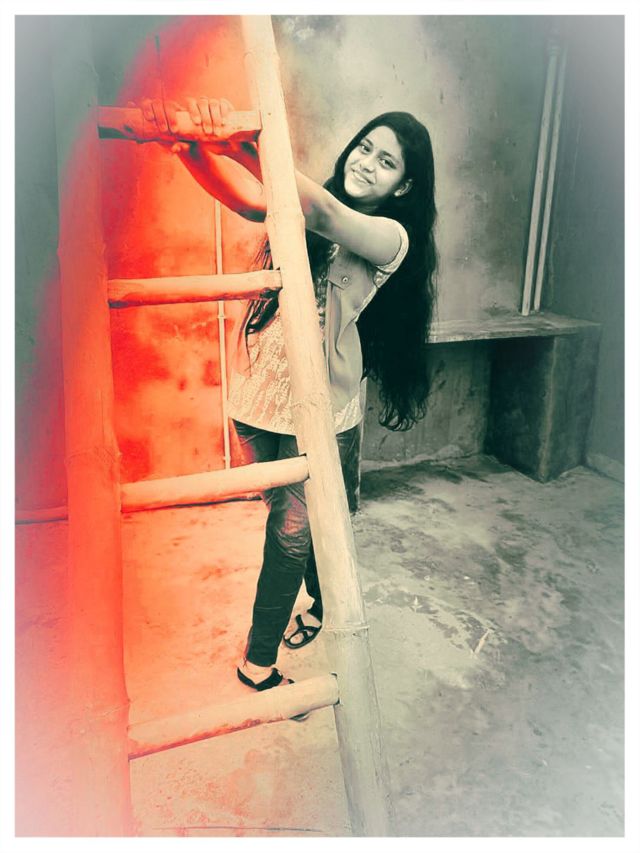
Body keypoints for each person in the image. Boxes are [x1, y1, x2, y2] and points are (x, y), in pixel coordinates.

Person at [140, 96, 437, 702]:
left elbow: (322, 211)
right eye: (364, 148)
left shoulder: (390, 236)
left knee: (290, 535)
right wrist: (188, 147)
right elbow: (250, 202)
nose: (365, 163)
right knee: (294, 517)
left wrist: (245, 144)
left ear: (404, 186)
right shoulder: (303, 202)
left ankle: (257, 661)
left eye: (386, 162)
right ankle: (325, 597)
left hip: (320, 408)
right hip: (257, 394)